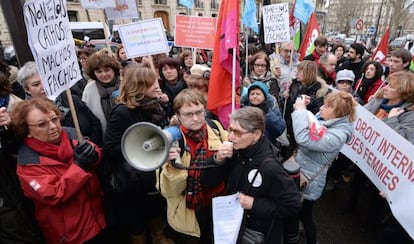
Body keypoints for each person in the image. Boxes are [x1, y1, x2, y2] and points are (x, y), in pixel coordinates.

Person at [200, 106, 301, 244]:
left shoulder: (269, 167)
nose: (230, 136)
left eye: (238, 132)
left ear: (257, 134)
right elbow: (207, 181)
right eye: (230, 130)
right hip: (230, 227)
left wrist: (255, 204)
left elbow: (292, 205)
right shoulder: (236, 152)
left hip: (254, 234)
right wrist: (217, 159)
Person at [11, 98, 106, 244]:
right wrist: (79, 167)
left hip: (98, 218)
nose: (53, 127)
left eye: (54, 119)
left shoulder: (70, 135)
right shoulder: (28, 164)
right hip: (71, 235)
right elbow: (54, 194)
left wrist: (94, 154)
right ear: (27, 131)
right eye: (42, 124)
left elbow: (95, 151)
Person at [103, 63, 173, 244]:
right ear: (139, 86)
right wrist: (136, 145)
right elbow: (109, 148)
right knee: (137, 217)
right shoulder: (122, 112)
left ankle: (158, 237)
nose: (157, 85)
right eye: (152, 83)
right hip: (131, 179)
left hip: (150, 173)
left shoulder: (152, 105)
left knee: (154, 209)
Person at [159, 88, 228, 244]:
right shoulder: (170, 140)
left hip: (219, 204)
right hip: (189, 210)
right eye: (188, 114)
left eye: (199, 112)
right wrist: (173, 168)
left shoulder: (215, 127)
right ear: (178, 116)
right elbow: (168, 191)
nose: (196, 118)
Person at [291, 91, 357, 244]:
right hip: (302, 170)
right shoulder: (327, 120)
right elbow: (311, 125)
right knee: (296, 211)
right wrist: (305, 110)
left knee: (305, 215)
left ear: (338, 113)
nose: (321, 108)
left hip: (309, 180)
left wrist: (301, 111)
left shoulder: (338, 135)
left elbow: (303, 138)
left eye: (327, 106)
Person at [363, 71, 414, 243]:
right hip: (367, 158)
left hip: (386, 169)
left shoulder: (409, 115)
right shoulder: (380, 99)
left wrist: (392, 120)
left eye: (391, 86)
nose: (385, 88)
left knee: (379, 202)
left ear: (404, 92)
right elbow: (362, 118)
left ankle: (373, 223)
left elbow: (404, 142)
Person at [17, 61, 102, 146]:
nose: (43, 87)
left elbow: (95, 122)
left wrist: (92, 147)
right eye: (36, 84)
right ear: (27, 89)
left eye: (46, 81)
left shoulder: (70, 98)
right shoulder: (27, 114)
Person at [284, 60, 330, 156]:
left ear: (308, 73)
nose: (297, 73)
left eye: (300, 71)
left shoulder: (319, 92)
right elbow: (290, 105)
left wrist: (308, 105)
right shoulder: (295, 85)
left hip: (305, 133)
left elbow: (318, 116)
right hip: (291, 127)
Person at [83, 52, 122, 135]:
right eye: (99, 72)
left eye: (107, 70)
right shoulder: (89, 89)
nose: (103, 74)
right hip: (104, 136)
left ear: (114, 70)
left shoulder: (125, 83)